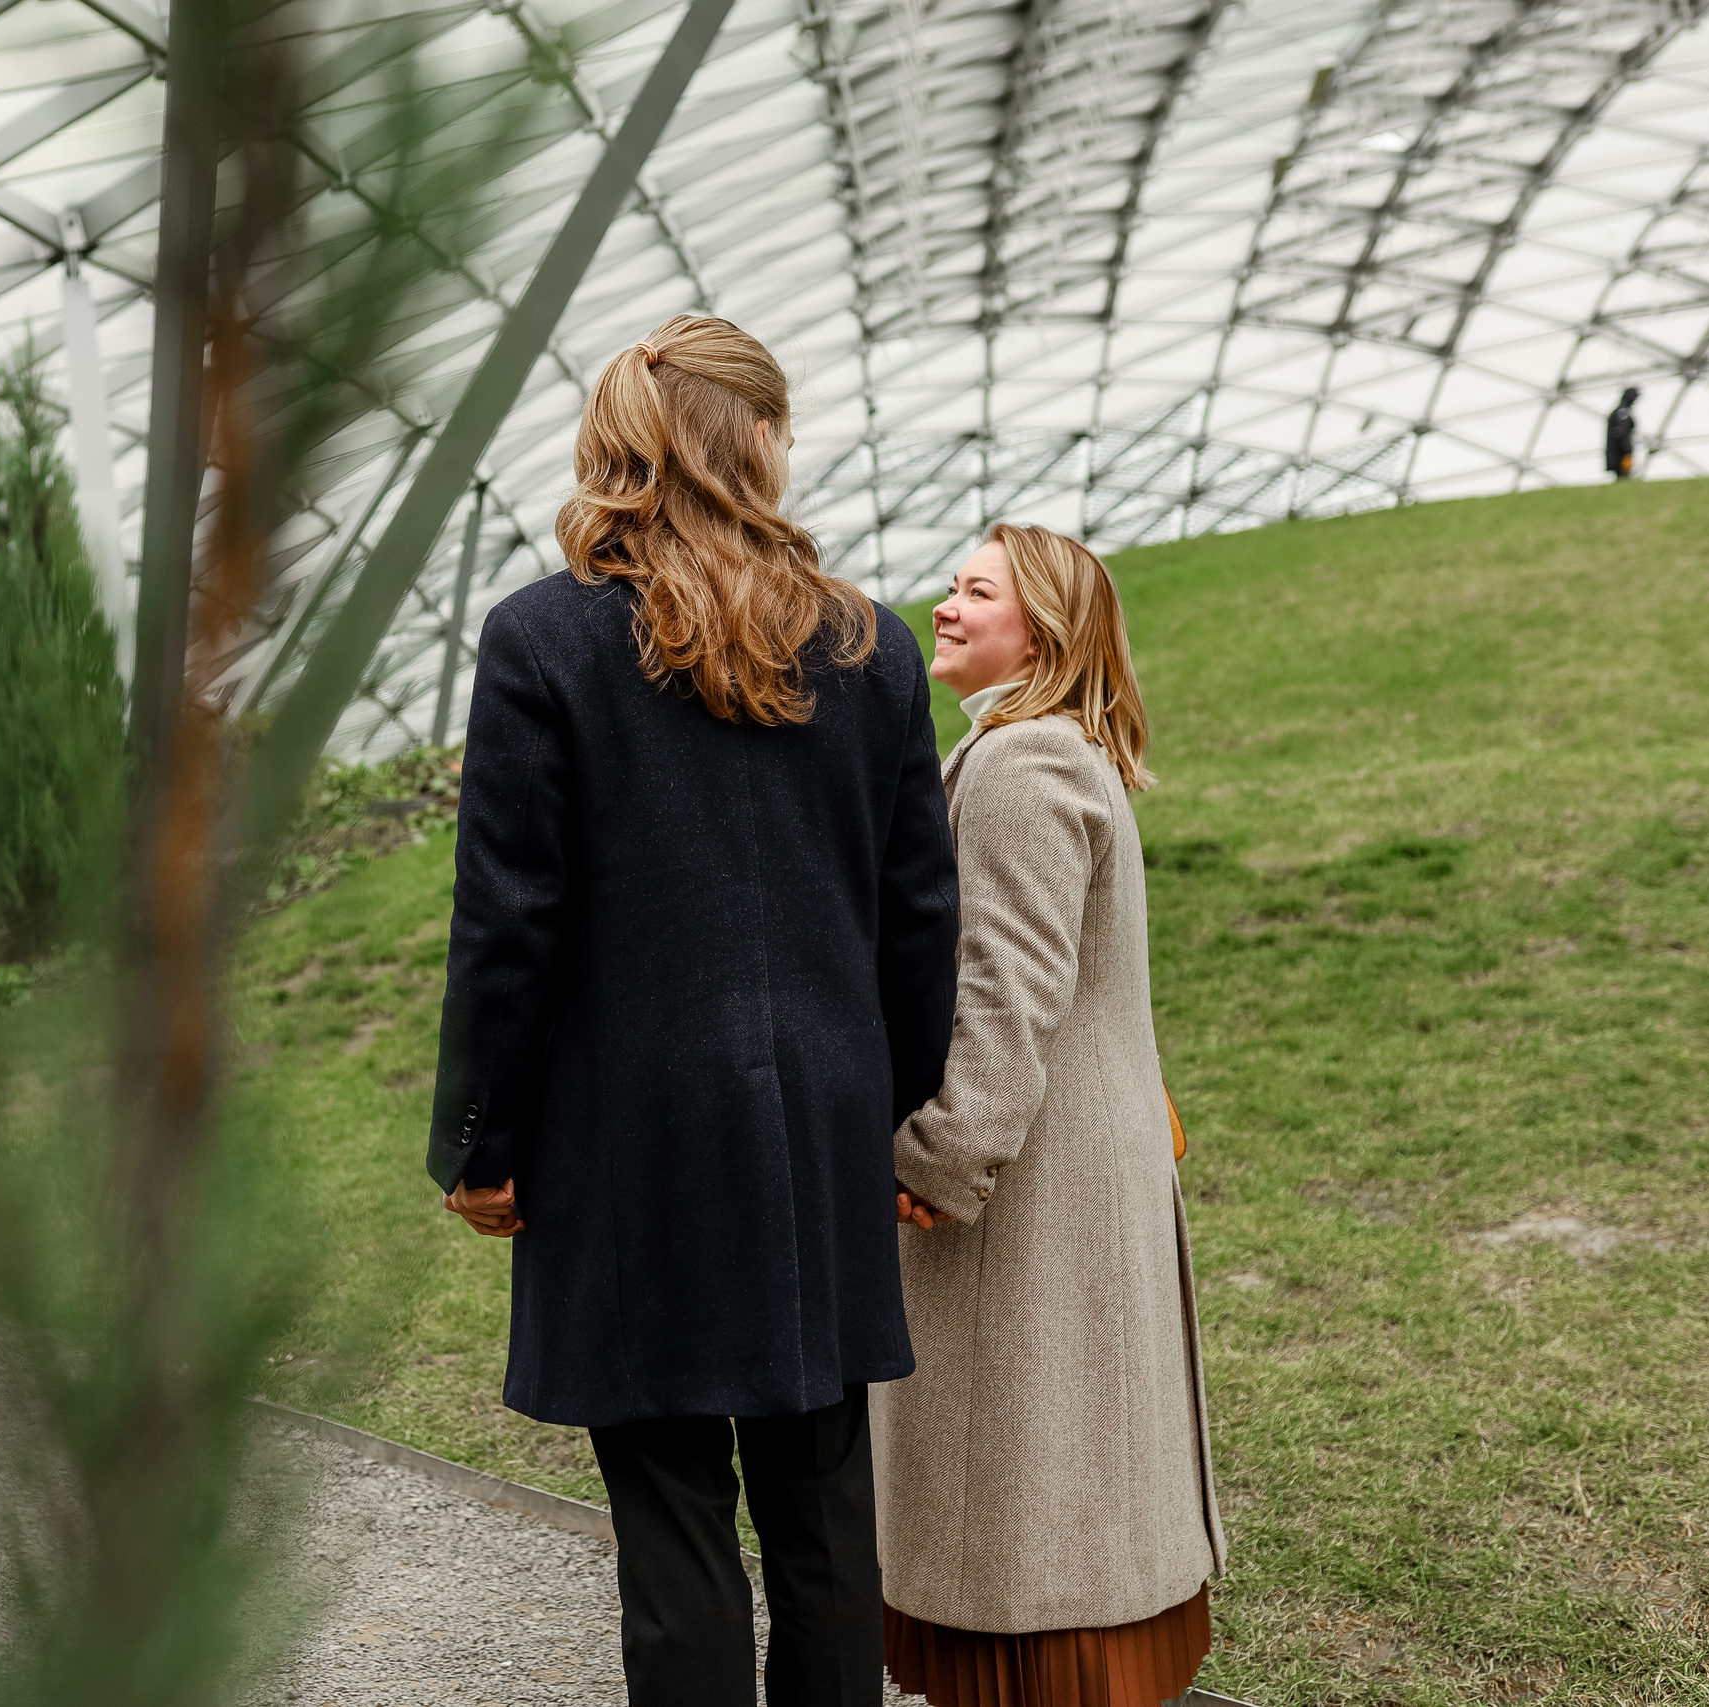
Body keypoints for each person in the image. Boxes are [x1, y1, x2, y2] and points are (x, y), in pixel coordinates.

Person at [426, 314, 961, 1707]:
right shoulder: (875, 650)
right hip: (822, 1133)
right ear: (762, 444)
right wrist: (895, 1112)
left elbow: (509, 921)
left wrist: (480, 1141)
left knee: (671, 1523)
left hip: (629, 1140)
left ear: (620, 452)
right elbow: (919, 919)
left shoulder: (542, 640)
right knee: (827, 1509)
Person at [874, 523, 1225, 1707]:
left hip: (1025, 1189)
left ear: (1047, 629)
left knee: (1022, 1498)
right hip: (1068, 1167)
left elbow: (1004, 989)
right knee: (1067, 1483)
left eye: (979, 591)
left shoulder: (1022, 766)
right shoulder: (1051, 755)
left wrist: (939, 1154)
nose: (947, 605)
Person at [1607, 387, 1640, 480]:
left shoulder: (1621, 411)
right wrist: (1627, 450)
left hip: (1619, 453)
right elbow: (1620, 433)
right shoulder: (1622, 412)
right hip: (1620, 454)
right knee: (1623, 476)